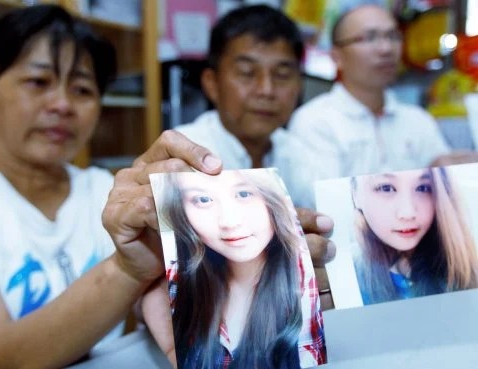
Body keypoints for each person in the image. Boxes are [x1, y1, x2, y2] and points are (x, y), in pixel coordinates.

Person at [0, 5, 334, 368]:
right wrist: (128, 270)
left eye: (83, 90)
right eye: (38, 82)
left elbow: (158, 308)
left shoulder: (104, 191)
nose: (61, 104)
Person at [287, 3, 478, 181]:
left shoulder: (419, 121)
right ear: (337, 56)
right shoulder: (314, 122)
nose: (386, 49)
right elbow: (326, 204)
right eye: (369, 38)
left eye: (393, 36)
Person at [155, 169, 325, 368]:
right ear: (181, 210)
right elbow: (150, 296)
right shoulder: (181, 277)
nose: (229, 221)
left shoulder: (307, 284)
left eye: (244, 194)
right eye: (203, 200)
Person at [175, 5, 316, 210]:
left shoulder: (299, 152)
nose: (266, 90)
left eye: (283, 75)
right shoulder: (184, 155)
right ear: (212, 83)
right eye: (247, 72)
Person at [351, 167, 478, 305]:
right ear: (355, 194)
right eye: (386, 188)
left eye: (422, 188)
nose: (408, 212)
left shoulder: (463, 265)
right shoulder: (345, 274)